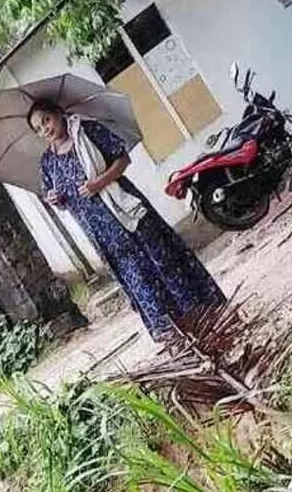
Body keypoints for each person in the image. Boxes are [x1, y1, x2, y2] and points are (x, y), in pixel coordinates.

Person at [30, 99, 226, 342]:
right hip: (102, 234)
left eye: (45, 120)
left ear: (58, 113)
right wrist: (55, 199)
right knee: (140, 281)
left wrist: (100, 182)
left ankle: (207, 317)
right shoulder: (47, 163)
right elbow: (57, 198)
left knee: (164, 262)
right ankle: (175, 337)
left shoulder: (88, 131)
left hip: (131, 218)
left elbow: (122, 159)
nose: (44, 129)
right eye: (38, 129)